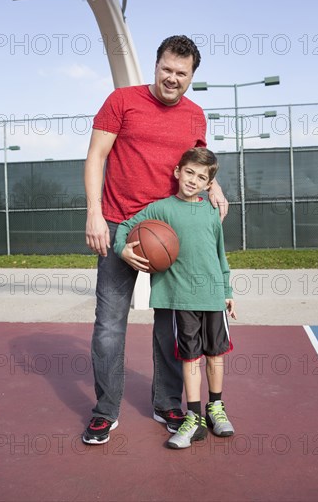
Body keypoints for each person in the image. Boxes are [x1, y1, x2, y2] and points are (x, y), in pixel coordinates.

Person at [83, 35, 229, 445]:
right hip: (119, 224)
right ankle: (105, 410)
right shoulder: (122, 101)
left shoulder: (195, 115)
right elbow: (96, 155)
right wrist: (95, 213)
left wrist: (215, 191)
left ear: (192, 77)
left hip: (172, 234)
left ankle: (167, 401)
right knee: (110, 324)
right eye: (167, 68)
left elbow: (198, 164)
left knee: (170, 327)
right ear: (156, 65)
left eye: (182, 73)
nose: (172, 78)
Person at [114, 147, 237, 449]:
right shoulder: (162, 209)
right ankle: (193, 417)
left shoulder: (210, 210)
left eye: (202, 177)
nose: (194, 180)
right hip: (181, 300)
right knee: (190, 357)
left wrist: (227, 290)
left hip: (212, 297)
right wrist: (122, 248)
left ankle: (216, 408)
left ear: (210, 185)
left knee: (216, 355)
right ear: (177, 172)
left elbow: (219, 254)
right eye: (190, 172)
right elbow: (127, 226)